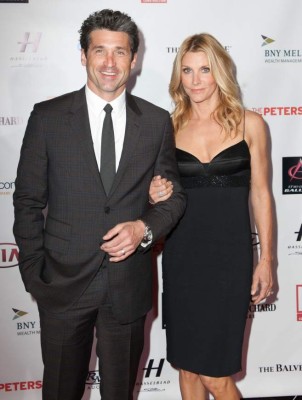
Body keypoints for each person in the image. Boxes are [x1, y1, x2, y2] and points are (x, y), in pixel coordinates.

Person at [13, 9, 186, 400]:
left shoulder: (157, 122)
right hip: (61, 283)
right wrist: (33, 272)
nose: (110, 63)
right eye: (100, 51)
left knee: (120, 393)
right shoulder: (48, 117)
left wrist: (144, 228)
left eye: (120, 52)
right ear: (83, 55)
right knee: (60, 391)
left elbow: (173, 197)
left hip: (128, 286)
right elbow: (27, 201)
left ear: (134, 59)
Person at [149, 33, 274, 399]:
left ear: (220, 72)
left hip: (229, 258)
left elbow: (262, 194)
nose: (196, 80)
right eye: (187, 70)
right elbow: (153, 193)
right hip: (182, 257)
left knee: (216, 376)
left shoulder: (251, 124)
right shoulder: (166, 129)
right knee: (187, 370)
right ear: (179, 77)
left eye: (205, 69)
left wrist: (266, 259)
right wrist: (153, 193)